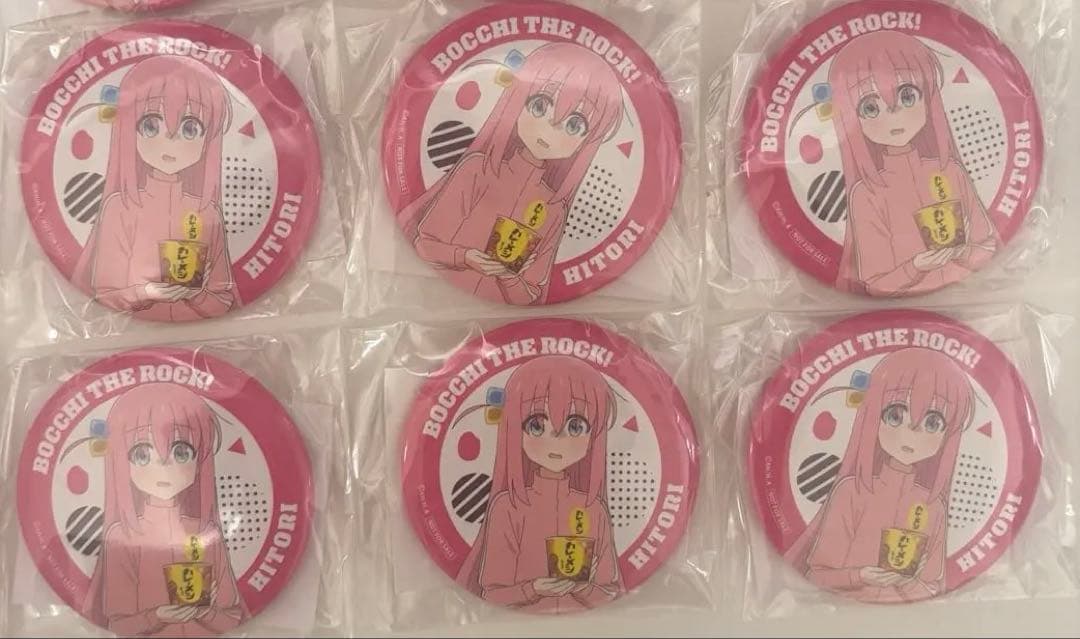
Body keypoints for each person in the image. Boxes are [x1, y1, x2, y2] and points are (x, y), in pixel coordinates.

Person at [400, 43, 624, 304]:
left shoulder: (554, 210)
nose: (550, 128)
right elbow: (424, 244)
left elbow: (531, 295)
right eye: (540, 106)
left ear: (588, 142)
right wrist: (466, 257)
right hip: (430, 298)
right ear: (517, 99)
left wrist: (509, 277)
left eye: (575, 125)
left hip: (486, 313)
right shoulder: (477, 169)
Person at [785, 348, 975, 602]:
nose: (911, 433)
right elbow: (815, 576)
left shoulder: (935, 508)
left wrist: (908, 582)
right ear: (873, 415)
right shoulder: (851, 492)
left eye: (933, 423)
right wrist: (861, 576)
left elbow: (935, 586)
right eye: (895, 415)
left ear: (949, 435)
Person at [829, 31, 997, 296]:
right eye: (870, 107)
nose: (894, 113)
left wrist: (962, 252)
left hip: (972, 294)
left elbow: (987, 246)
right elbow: (875, 282)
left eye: (907, 96)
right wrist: (917, 266)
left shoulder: (951, 171)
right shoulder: (866, 195)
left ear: (929, 99)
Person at [73, 55, 236, 320]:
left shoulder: (207, 212)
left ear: (209, 139)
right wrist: (146, 292)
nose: (170, 139)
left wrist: (197, 295)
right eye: (150, 125)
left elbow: (223, 300)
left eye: (190, 128)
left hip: (206, 334)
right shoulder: (120, 207)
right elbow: (104, 293)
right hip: (130, 334)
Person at [456, 356, 625, 611]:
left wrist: (582, 587)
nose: (556, 439)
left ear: (595, 435)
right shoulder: (508, 507)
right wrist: (534, 588)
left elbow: (610, 591)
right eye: (536, 425)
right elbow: (491, 593)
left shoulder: (594, 509)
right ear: (515, 429)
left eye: (576, 426)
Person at [78, 384, 247, 635]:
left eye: (181, 452)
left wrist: (204, 612)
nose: (164, 465)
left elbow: (234, 618)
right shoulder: (121, 538)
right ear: (121, 462)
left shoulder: (207, 533)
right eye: (142, 454)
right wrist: (157, 616)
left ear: (201, 460)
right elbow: (117, 625)